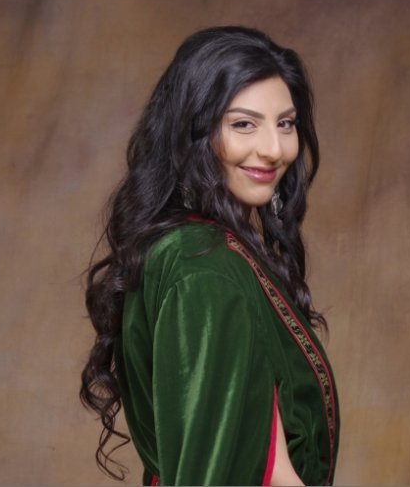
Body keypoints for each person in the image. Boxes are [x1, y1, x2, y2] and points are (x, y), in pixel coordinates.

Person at [80, 25, 339, 485]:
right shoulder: (206, 268)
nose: (274, 149)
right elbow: (253, 472)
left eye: (285, 123)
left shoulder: (177, 248)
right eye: (243, 124)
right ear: (193, 132)